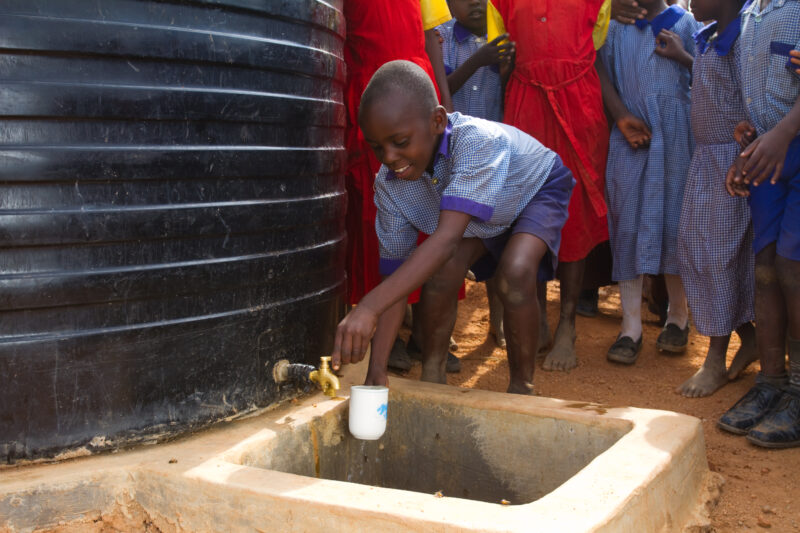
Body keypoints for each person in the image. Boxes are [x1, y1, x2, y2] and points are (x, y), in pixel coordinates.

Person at [330, 60, 573, 393]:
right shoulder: (390, 185)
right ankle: (434, 376)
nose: (388, 157)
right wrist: (377, 371)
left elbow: (445, 240)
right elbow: (395, 282)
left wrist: (368, 307)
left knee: (515, 271)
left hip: (531, 188)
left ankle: (522, 387)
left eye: (400, 141)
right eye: (377, 146)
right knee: (440, 272)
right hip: (482, 215)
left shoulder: (475, 144)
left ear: (437, 121)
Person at [486, 0, 612, 372]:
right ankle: (537, 316)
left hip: (580, 106)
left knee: (575, 215)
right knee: (528, 209)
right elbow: (502, 57)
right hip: (526, 104)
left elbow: (596, 48)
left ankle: (567, 324)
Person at [598, 0, 701, 365]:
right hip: (630, 137)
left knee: (675, 224)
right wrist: (622, 115)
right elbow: (601, 72)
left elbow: (702, 76)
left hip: (676, 140)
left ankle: (678, 316)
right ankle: (630, 327)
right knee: (627, 225)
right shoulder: (615, 27)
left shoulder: (686, 24)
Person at [718, 0, 800, 448]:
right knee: (766, 267)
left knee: (793, 269)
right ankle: (772, 382)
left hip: (794, 145)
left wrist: (784, 131)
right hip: (771, 157)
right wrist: (752, 138)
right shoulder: (752, 13)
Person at [675, 0, 756, 398]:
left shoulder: (742, 40)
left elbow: (751, 106)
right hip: (706, 158)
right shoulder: (708, 38)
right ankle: (749, 336)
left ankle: (715, 359)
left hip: (731, 163)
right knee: (696, 251)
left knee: (721, 255)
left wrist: (743, 157)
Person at [436, 0, 514, 348]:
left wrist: (506, 68)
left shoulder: (505, 39)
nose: (475, 4)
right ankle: (443, 330)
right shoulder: (442, 38)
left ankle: (497, 326)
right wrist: (479, 61)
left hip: (495, 160)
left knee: (497, 245)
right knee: (449, 248)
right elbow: (443, 88)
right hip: (453, 161)